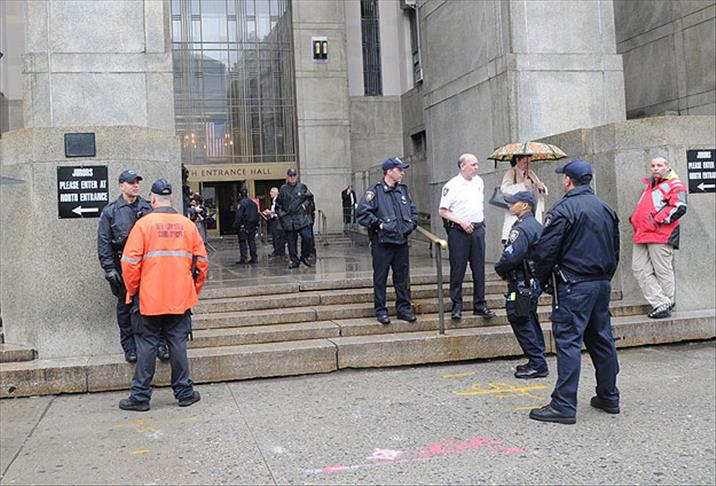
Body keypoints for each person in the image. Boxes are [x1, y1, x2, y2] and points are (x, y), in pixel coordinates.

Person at [530, 160, 621, 425]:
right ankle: (609, 396)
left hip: (573, 284)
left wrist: (540, 281)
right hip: (600, 283)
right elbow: (615, 249)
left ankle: (564, 404)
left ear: (568, 180)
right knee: (602, 340)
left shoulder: (564, 209)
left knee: (568, 342)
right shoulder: (606, 208)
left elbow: (546, 251)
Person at [118, 179, 208, 412]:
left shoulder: (143, 225)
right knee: (177, 344)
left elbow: (129, 264)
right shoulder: (188, 225)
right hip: (179, 298)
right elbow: (202, 264)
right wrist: (192, 290)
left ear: (153, 200)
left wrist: (133, 291)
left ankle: (140, 397)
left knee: (147, 346)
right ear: (171, 200)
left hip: (150, 299)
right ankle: (185, 393)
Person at [97, 169, 168, 363]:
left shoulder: (148, 208)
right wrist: (109, 268)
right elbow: (104, 242)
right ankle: (130, 348)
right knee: (125, 307)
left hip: (149, 265)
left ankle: (160, 344)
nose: (136, 186)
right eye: (131, 182)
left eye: (137, 182)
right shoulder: (111, 211)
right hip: (123, 265)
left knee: (156, 305)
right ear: (121, 186)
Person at [357, 157, 418, 325]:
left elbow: (413, 211)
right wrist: (380, 225)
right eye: (400, 170)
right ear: (389, 172)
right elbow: (362, 213)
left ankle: (403, 309)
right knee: (381, 278)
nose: (402, 173)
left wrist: (411, 225)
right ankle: (381, 310)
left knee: (402, 278)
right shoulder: (375, 191)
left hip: (401, 241)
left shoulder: (403, 190)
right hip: (383, 243)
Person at [494, 191, 548, 379]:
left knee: (519, 317)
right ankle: (537, 359)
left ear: (525, 205)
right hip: (531, 281)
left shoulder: (523, 228)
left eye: (513, 202)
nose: (509, 205)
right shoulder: (535, 225)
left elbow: (511, 256)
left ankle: (538, 363)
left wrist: (500, 269)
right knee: (528, 317)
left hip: (522, 282)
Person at [438, 153, 496, 321]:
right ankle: (457, 305)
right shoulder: (452, 185)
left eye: (477, 164)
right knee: (458, 269)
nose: (476, 167)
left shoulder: (479, 182)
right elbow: (442, 211)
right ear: (462, 166)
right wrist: (460, 221)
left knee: (479, 269)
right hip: (459, 232)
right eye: (473, 165)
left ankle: (480, 304)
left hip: (477, 230)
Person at [630, 156, 687, 319]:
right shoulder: (651, 186)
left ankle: (665, 304)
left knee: (662, 270)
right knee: (639, 268)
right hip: (643, 233)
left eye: (659, 165)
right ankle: (662, 302)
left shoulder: (674, 184)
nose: (655, 168)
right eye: (653, 165)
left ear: (667, 167)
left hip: (661, 234)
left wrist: (656, 220)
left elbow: (680, 207)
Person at [500, 154, 548, 243]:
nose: (527, 165)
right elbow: (505, 190)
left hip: (531, 214)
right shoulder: (511, 173)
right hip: (517, 215)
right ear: (517, 160)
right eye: (525, 162)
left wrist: (541, 187)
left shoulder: (530, 173)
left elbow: (539, 187)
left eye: (529, 162)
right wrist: (523, 185)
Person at [276, 168, 314, 269]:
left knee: (307, 237)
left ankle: (304, 256)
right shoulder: (283, 189)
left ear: (296, 176)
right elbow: (278, 205)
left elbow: (309, 198)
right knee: (291, 242)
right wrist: (281, 215)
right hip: (289, 219)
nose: (292, 178)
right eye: (290, 176)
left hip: (301, 218)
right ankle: (294, 260)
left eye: (294, 176)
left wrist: (304, 205)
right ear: (287, 177)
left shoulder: (302, 187)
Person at [233, 188, 259, 264]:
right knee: (252, 241)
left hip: (244, 224)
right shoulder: (253, 203)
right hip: (252, 225)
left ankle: (244, 258)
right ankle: (254, 257)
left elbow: (239, 215)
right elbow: (256, 214)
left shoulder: (241, 203)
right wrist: (256, 224)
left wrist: (236, 225)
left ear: (240, 195)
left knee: (242, 241)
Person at [262, 187, 286, 258]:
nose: (270, 193)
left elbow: (278, 210)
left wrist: (269, 212)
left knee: (277, 236)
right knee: (276, 236)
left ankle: (278, 251)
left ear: (276, 193)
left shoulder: (278, 200)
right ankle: (278, 250)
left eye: (272, 192)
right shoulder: (273, 200)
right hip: (274, 219)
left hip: (277, 220)